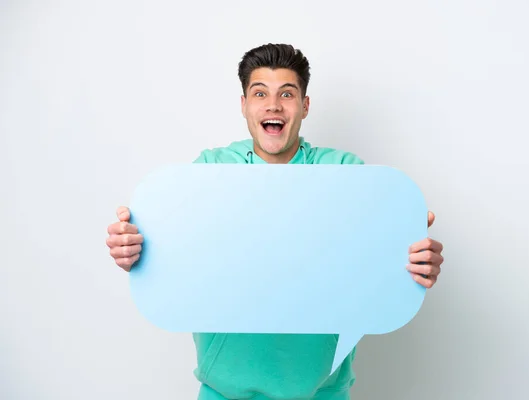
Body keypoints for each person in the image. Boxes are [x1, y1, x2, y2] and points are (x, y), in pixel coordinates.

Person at [106, 43, 445, 400]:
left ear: (305, 105)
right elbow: (179, 256)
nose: (273, 105)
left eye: (287, 93)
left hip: (324, 392)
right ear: (244, 106)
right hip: (224, 391)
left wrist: (413, 261)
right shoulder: (209, 172)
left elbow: (376, 265)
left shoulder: (346, 174)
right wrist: (134, 249)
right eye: (259, 93)